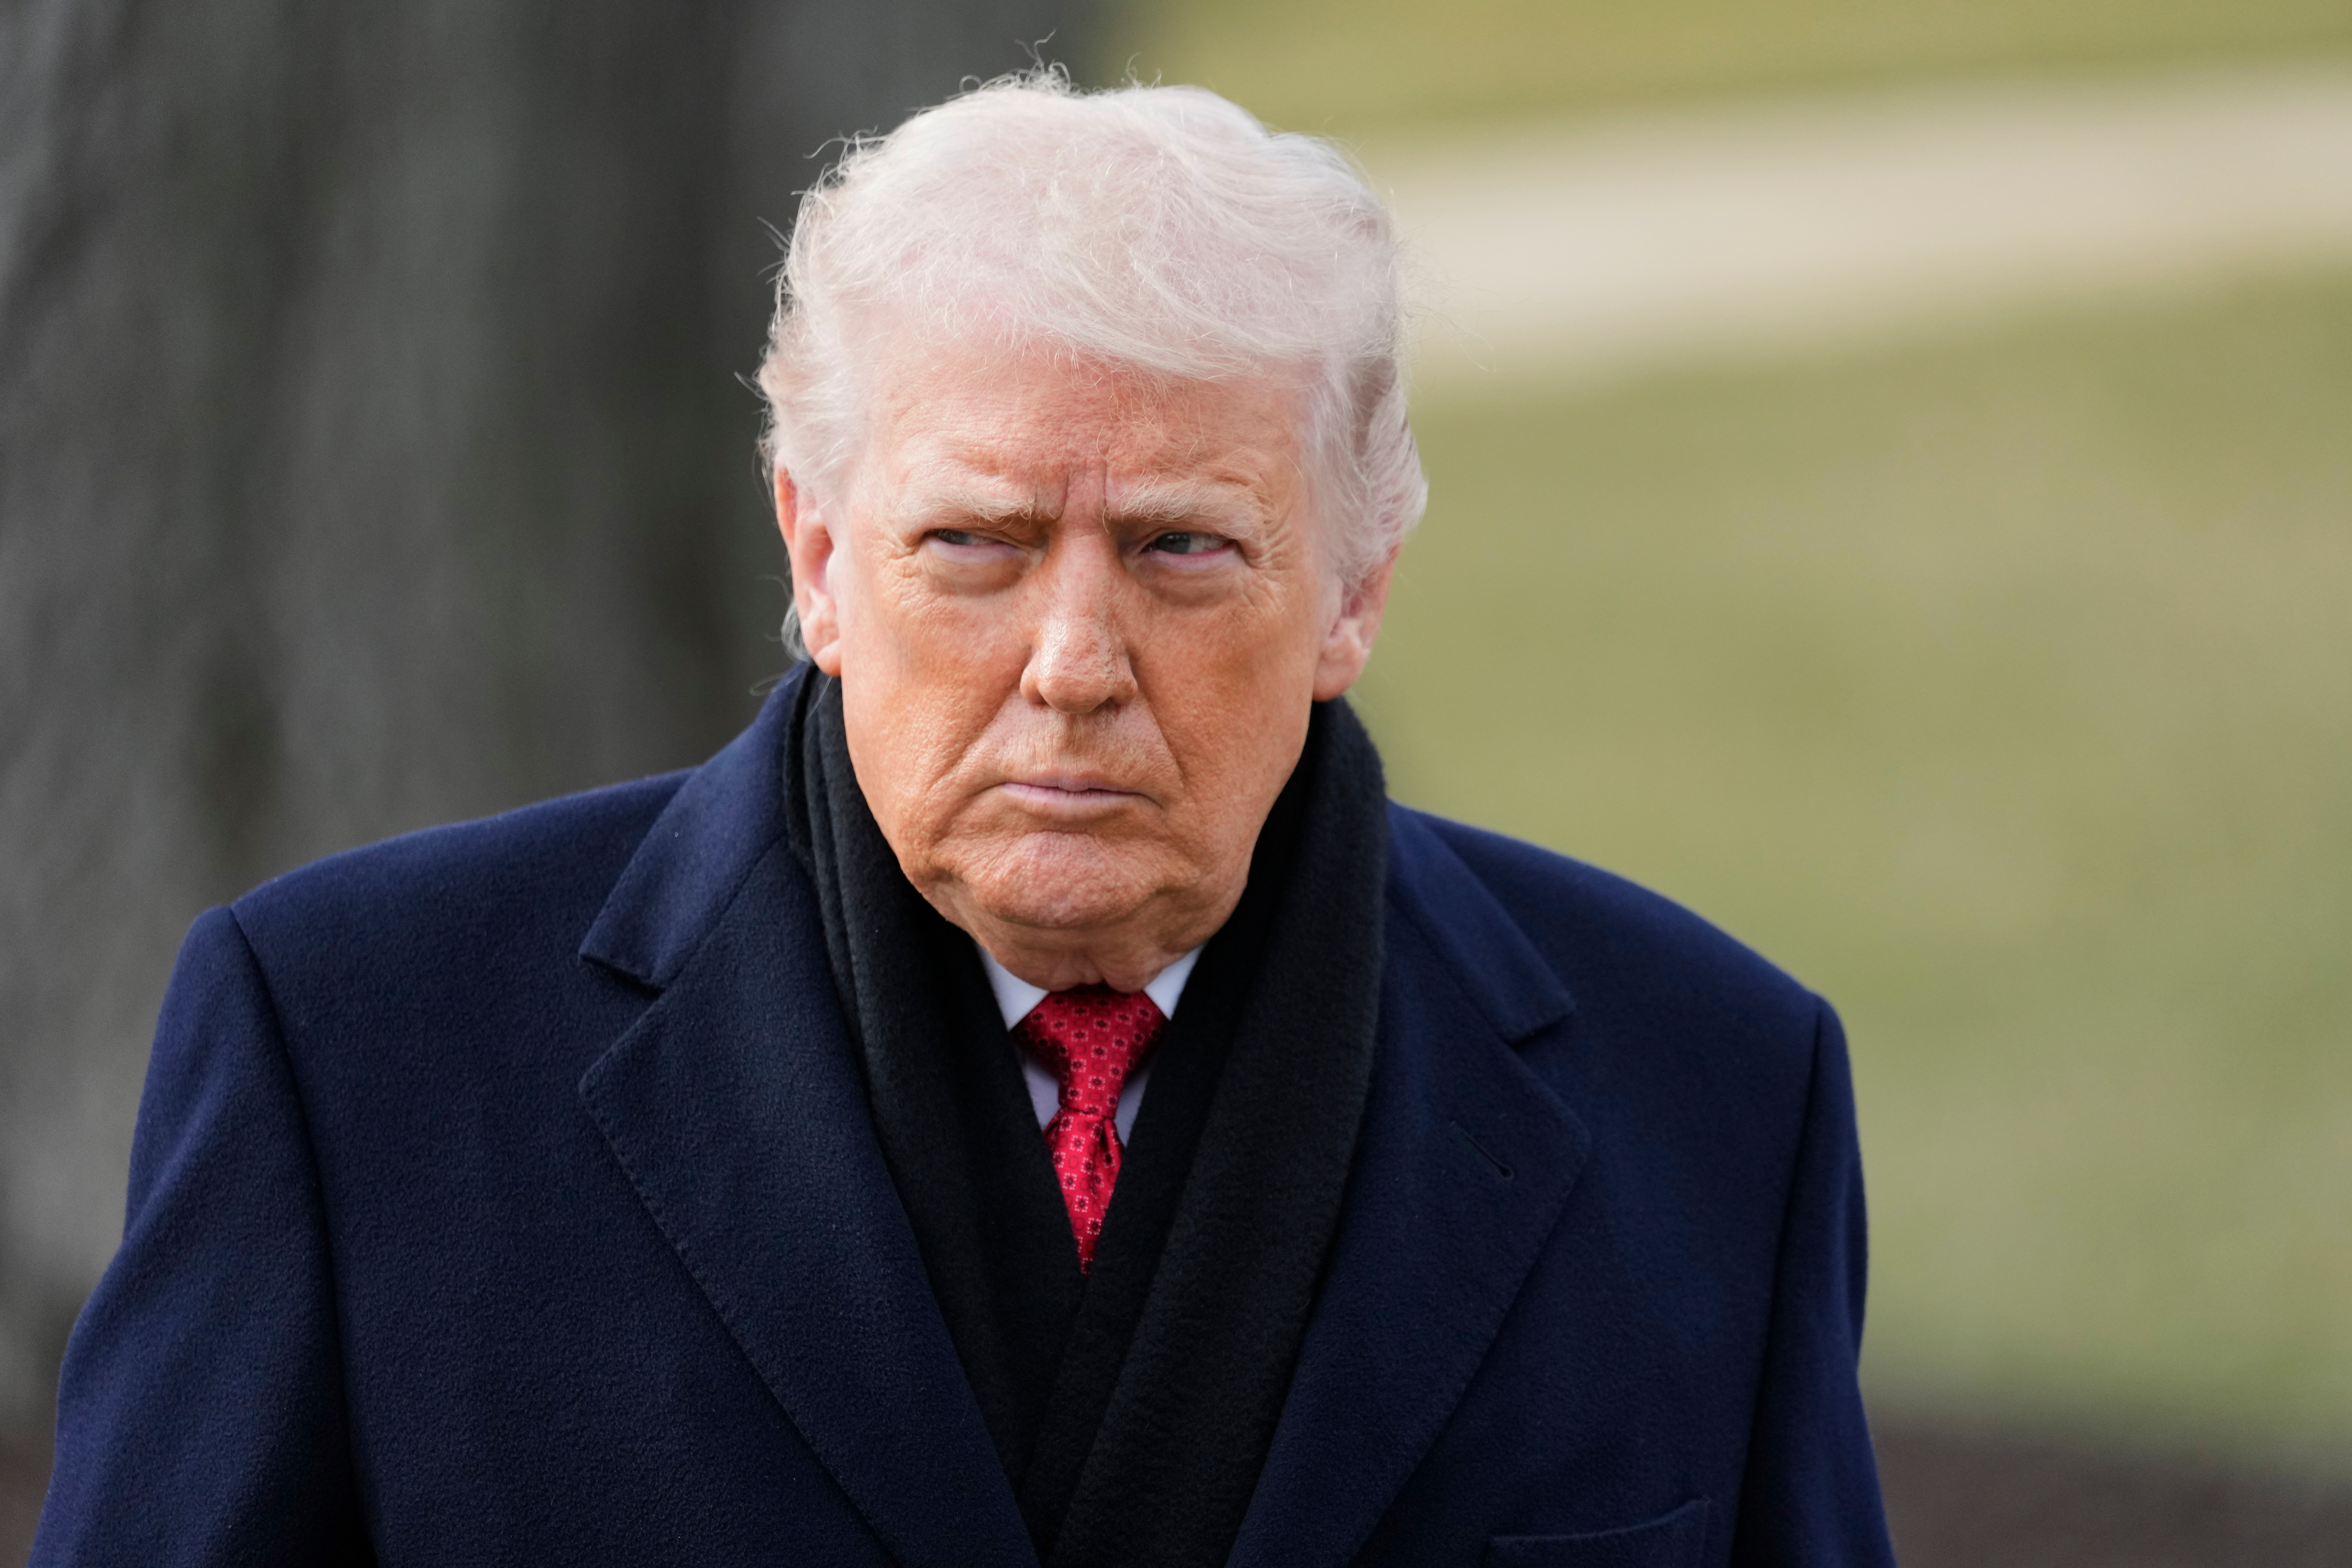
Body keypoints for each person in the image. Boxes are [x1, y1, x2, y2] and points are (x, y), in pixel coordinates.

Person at [33, 71, 1895, 1567]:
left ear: (1353, 590)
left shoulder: (1720, 1098)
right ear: (819, 556)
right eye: (976, 545)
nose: (1074, 658)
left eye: (1182, 545)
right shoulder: (356, 1056)